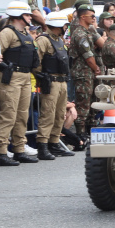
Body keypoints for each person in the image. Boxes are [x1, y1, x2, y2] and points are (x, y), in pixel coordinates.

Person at [0, 1, 40, 166]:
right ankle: (0, 151)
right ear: (19, 16)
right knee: (9, 114)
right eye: (28, 15)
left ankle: (19, 149)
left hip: (25, 76)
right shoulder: (7, 33)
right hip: (11, 77)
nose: (30, 17)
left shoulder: (25, 33)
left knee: (22, 115)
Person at [32, 11, 75, 159]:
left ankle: (54, 142)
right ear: (58, 25)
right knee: (48, 114)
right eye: (64, 25)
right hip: (51, 82)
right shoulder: (44, 40)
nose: (66, 28)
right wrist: (41, 78)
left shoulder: (59, 40)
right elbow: (36, 62)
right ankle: (43, 145)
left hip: (62, 81)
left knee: (59, 114)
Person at [68, 3, 103, 140]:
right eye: (92, 16)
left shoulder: (88, 31)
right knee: (84, 104)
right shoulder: (80, 33)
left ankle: (90, 130)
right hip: (83, 73)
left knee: (93, 103)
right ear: (83, 17)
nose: (94, 18)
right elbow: (88, 56)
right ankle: (81, 133)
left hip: (89, 72)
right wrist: (96, 68)